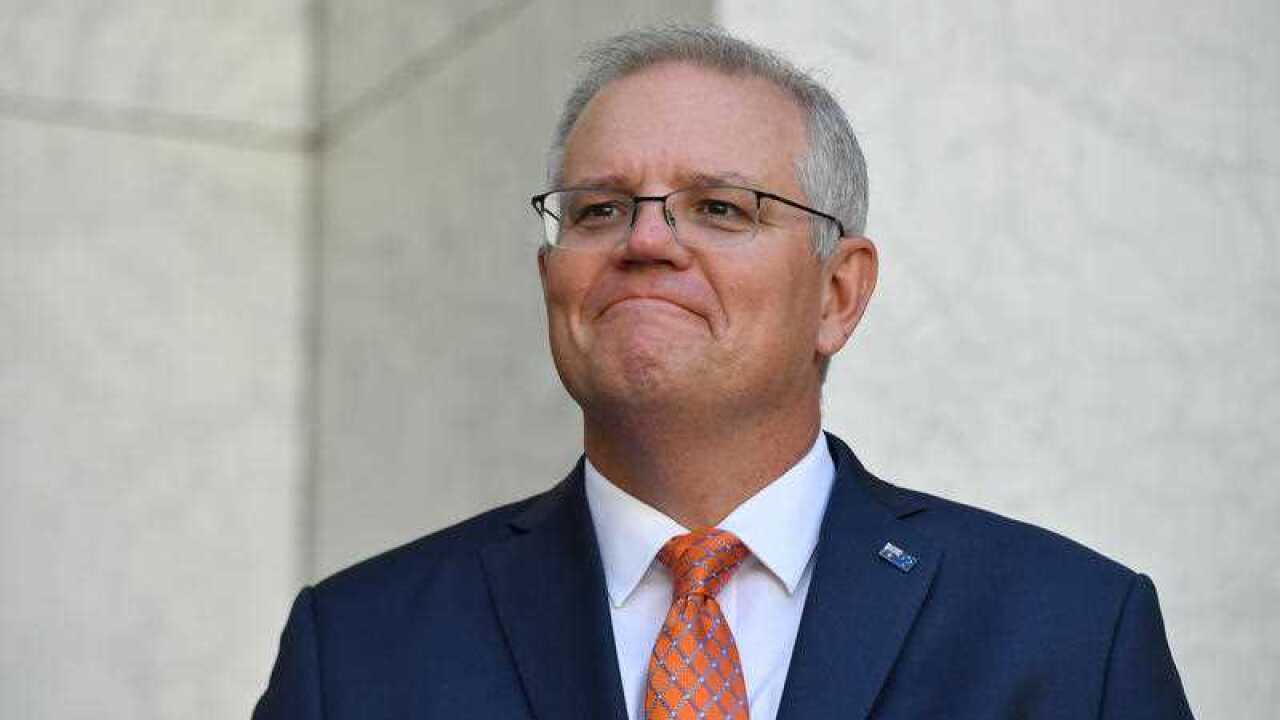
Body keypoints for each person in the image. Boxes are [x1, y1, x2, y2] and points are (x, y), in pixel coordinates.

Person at [254, 26, 1194, 720]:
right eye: (597, 211)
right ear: (552, 280)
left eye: (719, 208)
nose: (647, 240)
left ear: (837, 294)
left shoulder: (1069, 635)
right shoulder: (359, 652)